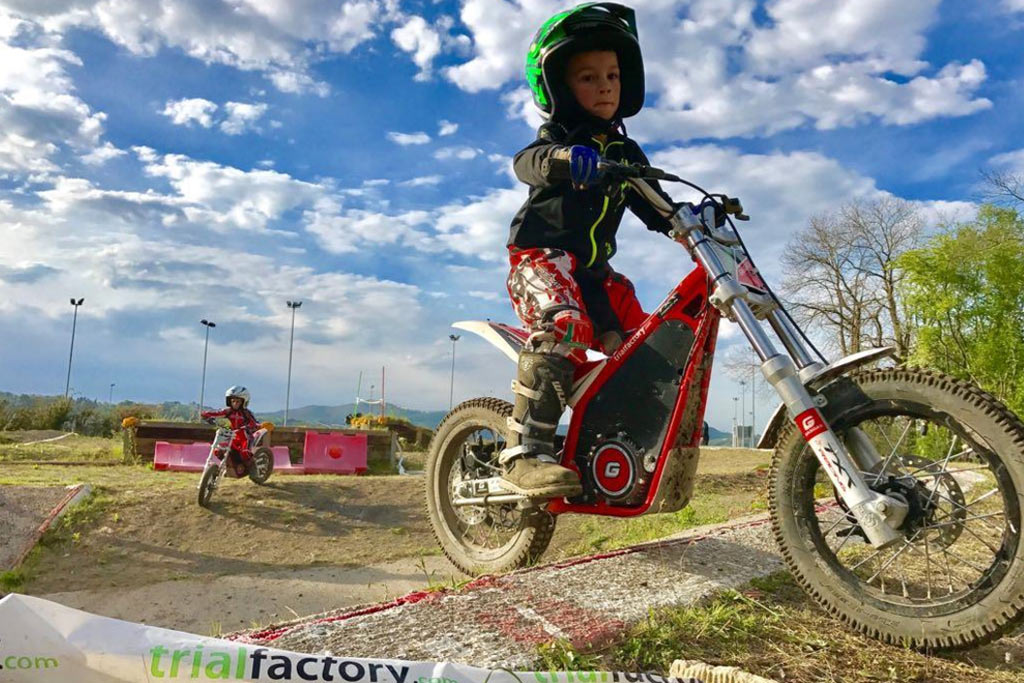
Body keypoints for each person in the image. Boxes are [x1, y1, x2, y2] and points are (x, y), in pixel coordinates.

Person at [501, 3, 677, 498]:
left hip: (596, 275)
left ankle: (623, 449)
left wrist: (693, 220)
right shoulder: (557, 140)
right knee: (566, 325)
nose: (605, 86)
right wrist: (561, 158)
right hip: (542, 260)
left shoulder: (625, 153)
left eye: (613, 75)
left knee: (649, 345)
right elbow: (527, 162)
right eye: (588, 77)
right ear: (558, 87)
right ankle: (524, 454)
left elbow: (658, 206)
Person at [201, 385, 261, 476]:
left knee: (245, 453)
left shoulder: (246, 413)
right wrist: (206, 415)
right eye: (233, 401)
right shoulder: (228, 411)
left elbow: (254, 423)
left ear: (244, 402)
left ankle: (254, 469)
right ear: (229, 401)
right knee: (218, 450)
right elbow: (217, 412)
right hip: (232, 435)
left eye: (238, 401)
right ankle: (228, 466)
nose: (235, 403)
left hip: (244, 436)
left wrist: (248, 426)